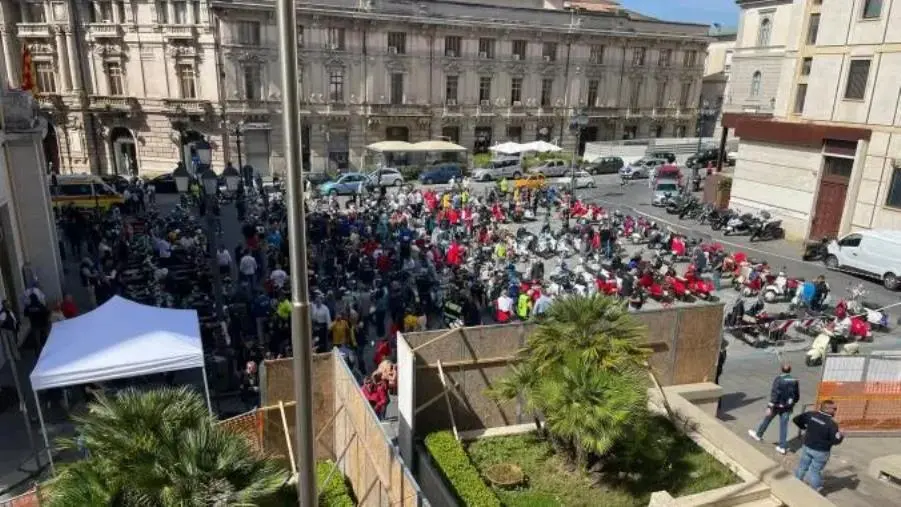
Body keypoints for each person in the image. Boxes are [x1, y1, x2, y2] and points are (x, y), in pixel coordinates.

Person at [748, 363, 799, 454]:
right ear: (790, 370)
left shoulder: (778, 380)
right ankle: (782, 447)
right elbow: (797, 396)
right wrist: (792, 404)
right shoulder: (794, 381)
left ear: (781, 369)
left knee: (767, 419)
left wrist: (769, 406)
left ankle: (759, 434)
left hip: (776, 406)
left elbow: (775, 394)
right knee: (784, 426)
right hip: (787, 407)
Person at [793, 400, 843, 492]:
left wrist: (804, 427)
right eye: (834, 409)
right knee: (815, 471)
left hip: (807, 446)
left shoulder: (810, 415)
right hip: (821, 451)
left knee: (802, 466)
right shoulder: (832, 425)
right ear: (827, 409)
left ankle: (796, 483)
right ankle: (816, 489)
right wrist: (841, 436)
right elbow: (835, 441)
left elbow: (796, 419)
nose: (836, 411)